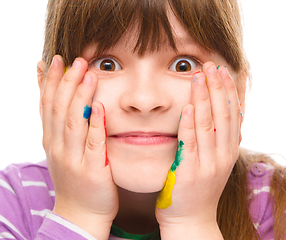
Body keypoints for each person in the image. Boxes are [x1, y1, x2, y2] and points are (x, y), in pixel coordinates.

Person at [0, 0, 285, 239]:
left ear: (238, 91)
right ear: (47, 89)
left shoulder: (273, 206)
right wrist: (79, 214)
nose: (145, 101)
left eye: (183, 64)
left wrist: (192, 223)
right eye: (107, 64)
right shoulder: (12, 202)